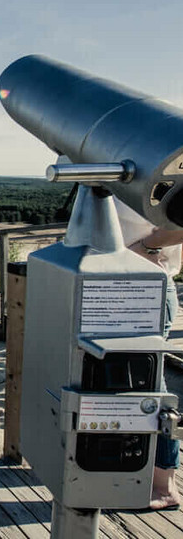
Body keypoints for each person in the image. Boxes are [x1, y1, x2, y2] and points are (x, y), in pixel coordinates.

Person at [114, 197, 183, 510]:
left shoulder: (165, 155)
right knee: (121, 379)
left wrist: (149, 248)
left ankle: (164, 483)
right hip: (111, 280)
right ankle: (132, 466)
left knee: (149, 381)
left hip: (145, 282)